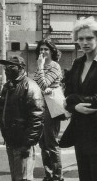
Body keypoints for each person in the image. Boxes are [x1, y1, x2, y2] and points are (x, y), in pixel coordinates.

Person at [62, 16, 97, 181]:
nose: (85, 42)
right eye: (81, 39)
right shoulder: (77, 62)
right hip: (80, 131)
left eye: (89, 38)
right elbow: (67, 94)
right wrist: (75, 106)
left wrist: (72, 101)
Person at [0, 55, 45, 181]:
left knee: (24, 178)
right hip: (11, 140)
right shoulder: (8, 86)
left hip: (23, 142)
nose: (6, 69)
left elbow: (37, 117)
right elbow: (2, 112)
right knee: (16, 177)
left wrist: (28, 143)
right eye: (5, 66)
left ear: (20, 68)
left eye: (10, 66)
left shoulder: (30, 86)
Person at [34, 39, 63, 181]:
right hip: (40, 107)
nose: (43, 52)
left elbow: (44, 84)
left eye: (46, 49)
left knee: (51, 143)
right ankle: (48, 174)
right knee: (43, 143)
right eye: (41, 49)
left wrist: (39, 68)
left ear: (52, 51)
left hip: (52, 108)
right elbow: (39, 86)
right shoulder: (41, 65)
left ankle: (57, 176)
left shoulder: (54, 66)